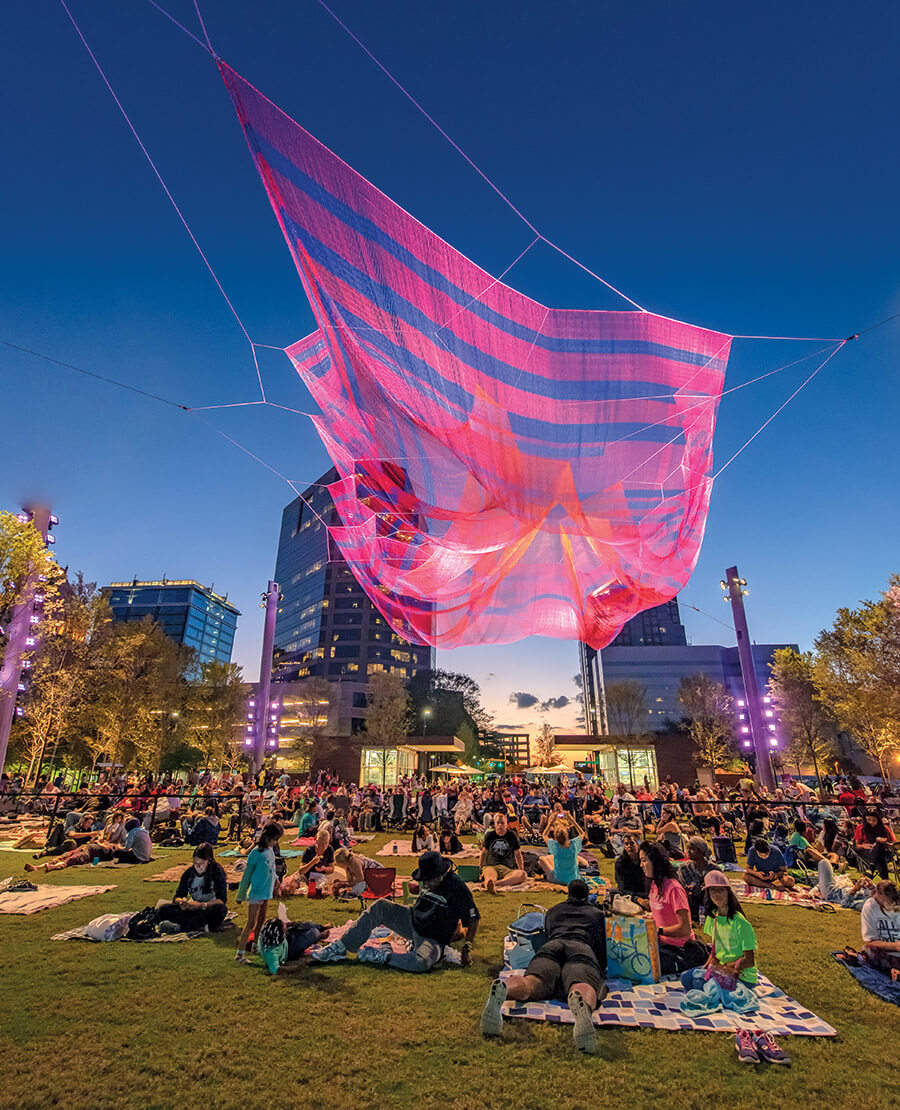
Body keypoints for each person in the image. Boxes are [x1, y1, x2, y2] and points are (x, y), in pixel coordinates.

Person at [480, 879, 608, 1054]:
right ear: (587, 897)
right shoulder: (596, 914)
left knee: (532, 981)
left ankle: (505, 989)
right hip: (581, 947)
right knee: (581, 981)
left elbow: (547, 935)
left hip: (552, 946)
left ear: (568, 894)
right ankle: (582, 1006)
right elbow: (601, 947)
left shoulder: (554, 911)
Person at [310, 850, 479, 972]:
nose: (425, 884)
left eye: (428, 880)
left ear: (440, 874)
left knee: (421, 962)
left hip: (432, 936)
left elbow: (473, 918)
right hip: (412, 919)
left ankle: (383, 955)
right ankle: (340, 947)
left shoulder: (457, 888)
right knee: (381, 905)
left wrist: (467, 947)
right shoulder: (429, 882)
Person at [639, 841, 709, 975]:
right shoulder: (654, 885)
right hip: (659, 943)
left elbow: (685, 929)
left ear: (656, 861)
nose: (641, 865)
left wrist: (658, 931)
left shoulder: (674, 889)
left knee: (643, 965)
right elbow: (662, 914)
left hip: (678, 948)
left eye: (644, 860)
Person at [235, 822, 282, 964]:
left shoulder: (270, 851)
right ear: (268, 838)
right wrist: (241, 894)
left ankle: (256, 944)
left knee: (261, 920)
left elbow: (272, 870)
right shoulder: (256, 853)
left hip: (266, 890)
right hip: (256, 891)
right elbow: (247, 876)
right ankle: (240, 953)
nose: (276, 842)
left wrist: (276, 882)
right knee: (251, 922)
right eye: (275, 839)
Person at [155, 843, 228, 932]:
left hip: (207, 908)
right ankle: (199, 926)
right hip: (191, 909)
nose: (198, 867)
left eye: (201, 863)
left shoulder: (217, 872)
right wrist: (181, 903)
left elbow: (221, 900)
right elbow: (178, 896)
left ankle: (181, 927)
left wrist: (201, 905)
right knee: (163, 909)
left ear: (209, 861)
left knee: (220, 909)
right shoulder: (188, 874)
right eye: (195, 863)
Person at [257, 905, 333, 974]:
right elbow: (276, 970)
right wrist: (295, 968)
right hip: (290, 949)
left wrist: (292, 925)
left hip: (287, 939)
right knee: (312, 934)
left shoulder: (267, 936)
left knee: (305, 925)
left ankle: (321, 927)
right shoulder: (271, 952)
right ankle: (319, 935)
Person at [860, 880, 900, 975]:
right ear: (879, 894)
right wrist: (894, 946)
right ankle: (892, 969)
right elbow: (870, 942)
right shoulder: (870, 907)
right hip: (885, 953)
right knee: (869, 950)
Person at [480, 813, 527, 893]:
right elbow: (484, 853)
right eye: (498, 823)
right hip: (492, 866)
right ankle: (490, 883)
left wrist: (521, 868)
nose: (500, 825)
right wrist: (481, 868)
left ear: (506, 824)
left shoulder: (512, 835)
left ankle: (497, 884)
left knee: (522, 875)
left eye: (502, 823)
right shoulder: (490, 835)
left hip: (508, 869)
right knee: (490, 875)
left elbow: (518, 854)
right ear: (494, 824)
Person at [677, 836, 715, 917]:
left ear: (701, 851)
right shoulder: (684, 868)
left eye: (692, 849)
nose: (688, 852)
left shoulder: (713, 869)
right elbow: (681, 885)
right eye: (688, 849)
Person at [539, 820, 586, 885]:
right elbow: (582, 833)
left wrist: (550, 822)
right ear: (567, 834)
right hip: (574, 879)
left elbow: (544, 835)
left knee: (542, 859)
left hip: (558, 879)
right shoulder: (574, 846)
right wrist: (572, 820)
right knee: (574, 858)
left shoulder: (555, 847)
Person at [852, 811, 896, 880]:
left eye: (874, 820)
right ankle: (886, 881)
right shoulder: (860, 828)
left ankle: (871, 867)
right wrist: (863, 846)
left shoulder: (884, 829)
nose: (871, 822)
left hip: (885, 853)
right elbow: (856, 846)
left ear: (878, 820)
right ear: (865, 820)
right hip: (867, 853)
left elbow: (893, 844)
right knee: (879, 857)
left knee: (878, 846)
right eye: (869, 820)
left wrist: (884, 842)